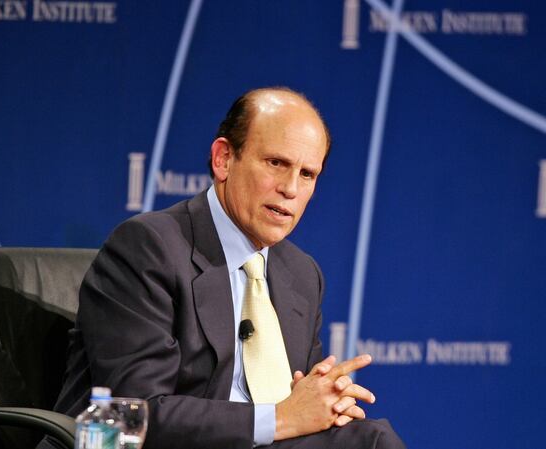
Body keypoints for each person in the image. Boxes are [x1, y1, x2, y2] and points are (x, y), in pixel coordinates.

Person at [50, 87, 404, 448]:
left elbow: (300, 403)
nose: (290, 189)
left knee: (371, 440)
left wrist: (325, 401)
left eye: (308, 174)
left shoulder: (301, 273)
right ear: (223, 159)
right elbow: (137, 412)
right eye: (276, 163)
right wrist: (282, 417)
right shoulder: (149, 247)